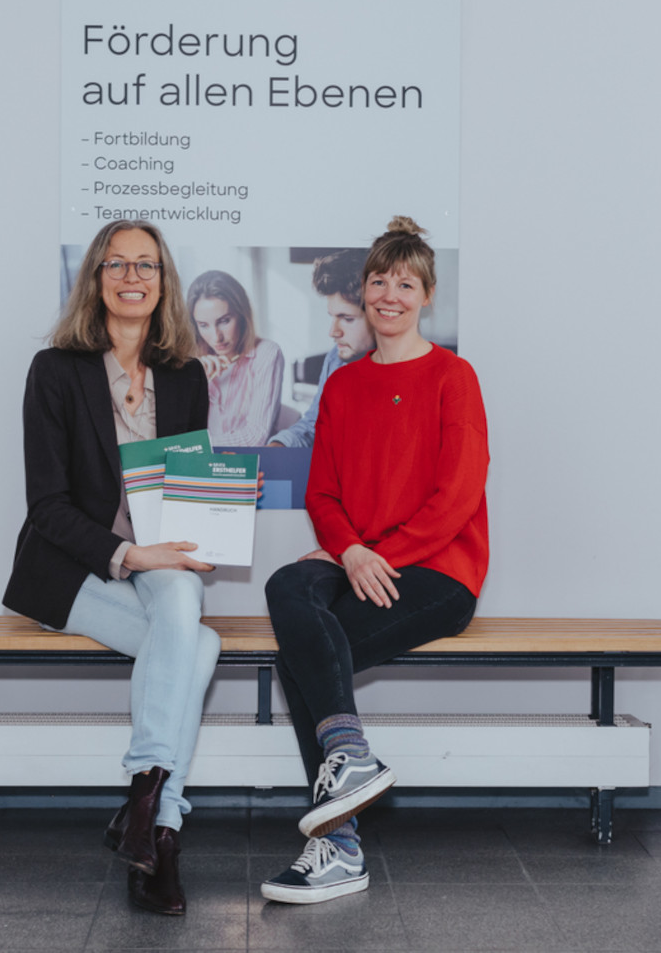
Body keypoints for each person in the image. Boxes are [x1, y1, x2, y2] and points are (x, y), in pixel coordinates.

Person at [260, 217, 490, 904]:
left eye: (406, 282)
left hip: (439, 570)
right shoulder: (342, 386)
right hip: (361, 556)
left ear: (427, 295)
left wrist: (371, 555)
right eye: (379, 280)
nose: (390, 294)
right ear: (362, 291)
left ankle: (337, 846)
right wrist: (351, 550)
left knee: (297, 658)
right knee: (287, 583)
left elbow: (457, 496)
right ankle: (351, 761)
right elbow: (321, 491)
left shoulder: (454, 376)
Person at [2, 220, 219, 917]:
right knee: (201, 642)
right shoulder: (55, 370)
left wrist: (199, 529)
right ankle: (160, 822)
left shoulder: (185, 375)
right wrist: (129, 553)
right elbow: (47, 507)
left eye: (146, 265)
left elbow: (189, 485)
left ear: (164, 280)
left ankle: (148, 810)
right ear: (95, 278)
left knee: (184, 604)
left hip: (159, 558)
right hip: (72, 568)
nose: (133, 277)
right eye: (117, 264)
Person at [268, 248, 375, 448]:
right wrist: (278, 447)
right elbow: (313, 425)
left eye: (347, 319)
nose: (333, 332)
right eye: (332, 316)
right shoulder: (335, 359)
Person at [187, 269, 285, 445]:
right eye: (204, 325)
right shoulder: (192, 362)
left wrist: (197, 446)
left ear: (242, 315)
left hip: (249, 465)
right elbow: (174, 434)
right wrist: (194, 384)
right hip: (203, 465)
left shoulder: (267, 353)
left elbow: (256, 436)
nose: (216, 337)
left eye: (224, 321)